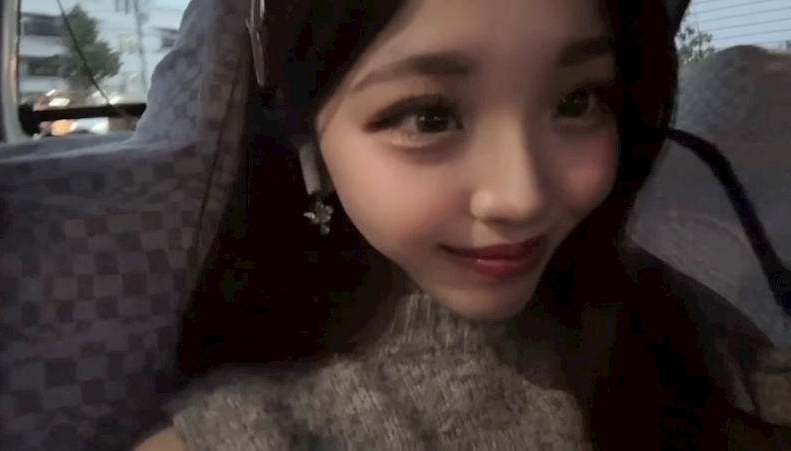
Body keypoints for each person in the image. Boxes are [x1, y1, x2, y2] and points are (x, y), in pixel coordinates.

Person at [137, 0, 789, 449]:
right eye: (428, 117)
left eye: (577, 101)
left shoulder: (683, 323)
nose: (521, 197)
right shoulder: (254, 430)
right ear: (310, 143)